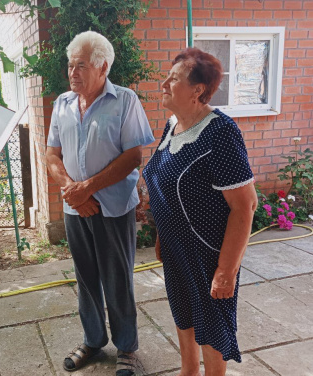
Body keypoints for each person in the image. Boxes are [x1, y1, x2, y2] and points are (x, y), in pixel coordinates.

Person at [143, 48, 258, 375]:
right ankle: (188, 371)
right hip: (178, 250)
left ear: (198, 90)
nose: (163, 84)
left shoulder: (220, 133)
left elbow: (246, 205)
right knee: (184, 315)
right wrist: (163, 235)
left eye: (174, 79)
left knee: (210, 327)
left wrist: (227, 271)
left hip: (207, 254)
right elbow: (166, 184)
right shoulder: (173, 125)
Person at [46, 31, 154, 376]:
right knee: (86, 278)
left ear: (102, 67)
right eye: (70, 65)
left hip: (113, 206)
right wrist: (72, 191)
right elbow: (51, 154)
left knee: (117, 278)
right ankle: (93, 341)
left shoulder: (125, 100)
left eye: (80, 65)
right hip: (74, 209)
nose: (72, 73)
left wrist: (88, 188)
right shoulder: (62, 104)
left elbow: (134, 155)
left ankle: (127, 348)